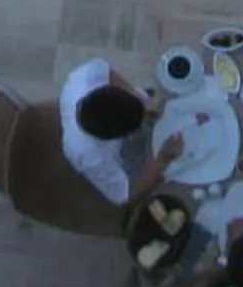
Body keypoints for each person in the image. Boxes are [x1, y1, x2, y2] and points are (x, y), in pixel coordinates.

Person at [59, 57, 180, 210]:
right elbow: (126, 195)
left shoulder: (88, 75)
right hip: (125, 154)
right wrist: (162, 160)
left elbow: (109, 73)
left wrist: (143, 101)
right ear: (118, 137)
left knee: (157, 98)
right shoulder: (88, 156)